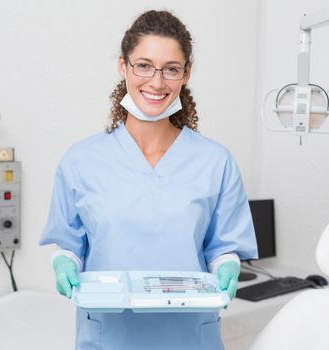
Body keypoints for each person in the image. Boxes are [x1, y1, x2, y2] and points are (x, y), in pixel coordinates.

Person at [39, 9, 258, 350]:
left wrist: (227, 265)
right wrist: (65, 260)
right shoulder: (81, 161)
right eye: (143, 65)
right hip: (109, 335)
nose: (156, 82)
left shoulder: (215, 162)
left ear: (186, 74)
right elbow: (70, 242)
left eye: (171, 69)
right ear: (122, 66)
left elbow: (222, 248)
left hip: (188, 335)